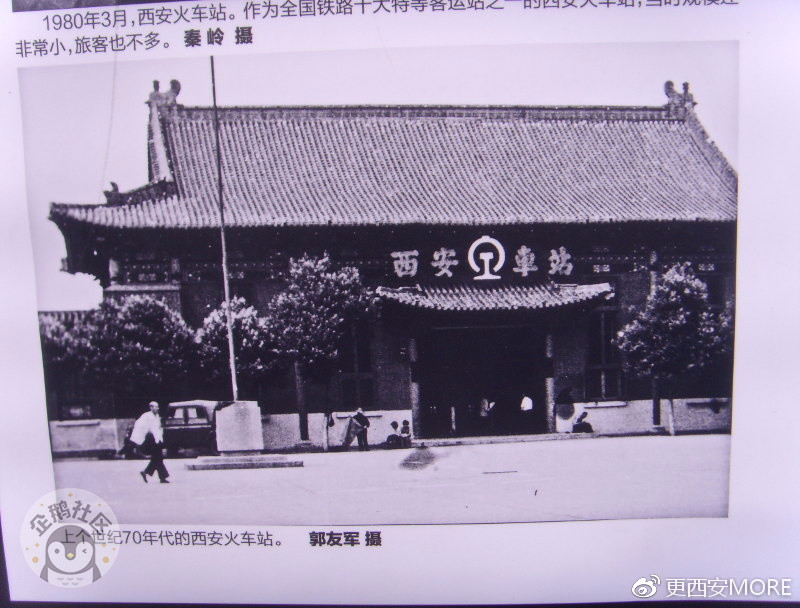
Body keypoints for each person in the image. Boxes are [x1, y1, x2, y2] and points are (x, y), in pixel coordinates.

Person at [130, 401, 169, 483]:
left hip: (157, 439)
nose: (157, 408)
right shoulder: (146, 416)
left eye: (158, 407)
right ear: (151, 407)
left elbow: (158, 428)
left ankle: (146, 472)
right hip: (151, 439)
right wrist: (147, 432)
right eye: (155, 407)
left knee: (157, 458)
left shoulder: (157, 416)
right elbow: (139, 425)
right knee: (158, 458)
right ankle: (161, 477)